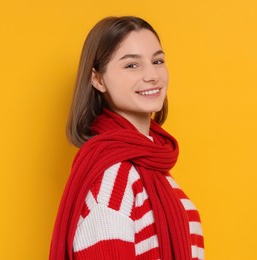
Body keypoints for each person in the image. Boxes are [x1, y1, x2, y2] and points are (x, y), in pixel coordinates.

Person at [50, 16, 204, 260]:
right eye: (132, 65)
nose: (152, 75)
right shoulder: (113, 176)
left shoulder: (152, 167)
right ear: (97, 79)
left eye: (157, 61)